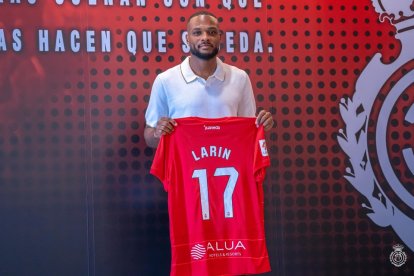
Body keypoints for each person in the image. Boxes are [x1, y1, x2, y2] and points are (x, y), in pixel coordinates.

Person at [144, 10, 274, 148]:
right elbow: (149, 137)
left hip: (229, 166)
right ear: (187, 38)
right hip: (184, 168)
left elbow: (249, 132)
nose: (205, 38)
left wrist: (262, 125)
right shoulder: (165, 80)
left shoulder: (240, 78)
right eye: (197, 33)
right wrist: (157, 133)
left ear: (220, 37)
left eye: (211, 32)